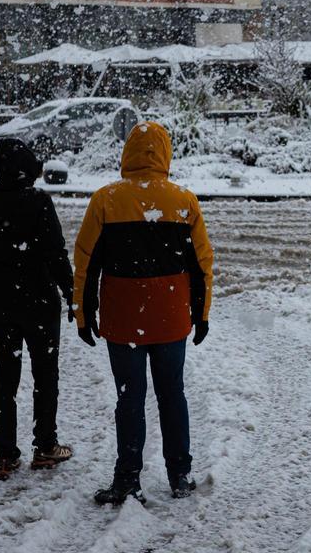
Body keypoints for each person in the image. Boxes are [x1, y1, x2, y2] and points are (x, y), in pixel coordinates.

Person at [72, 121, 214, 506]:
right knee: (173, 395)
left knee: (129, 398)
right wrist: (201, 314)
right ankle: (180, 475)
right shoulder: (184, 201)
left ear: (128, 154)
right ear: (165, 154)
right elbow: (202, 265)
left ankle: (127, 478)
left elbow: (85, 263)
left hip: (122, 321)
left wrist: (84, 313)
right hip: (170, 319)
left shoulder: (106, 200)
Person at [0, 138, 75, 480]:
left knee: (4, 376)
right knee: (45, 374)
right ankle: (45, 447)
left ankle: (6, 454)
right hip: (39, 298)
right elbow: (56, 251)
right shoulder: (39, 201)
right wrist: (72, 293)